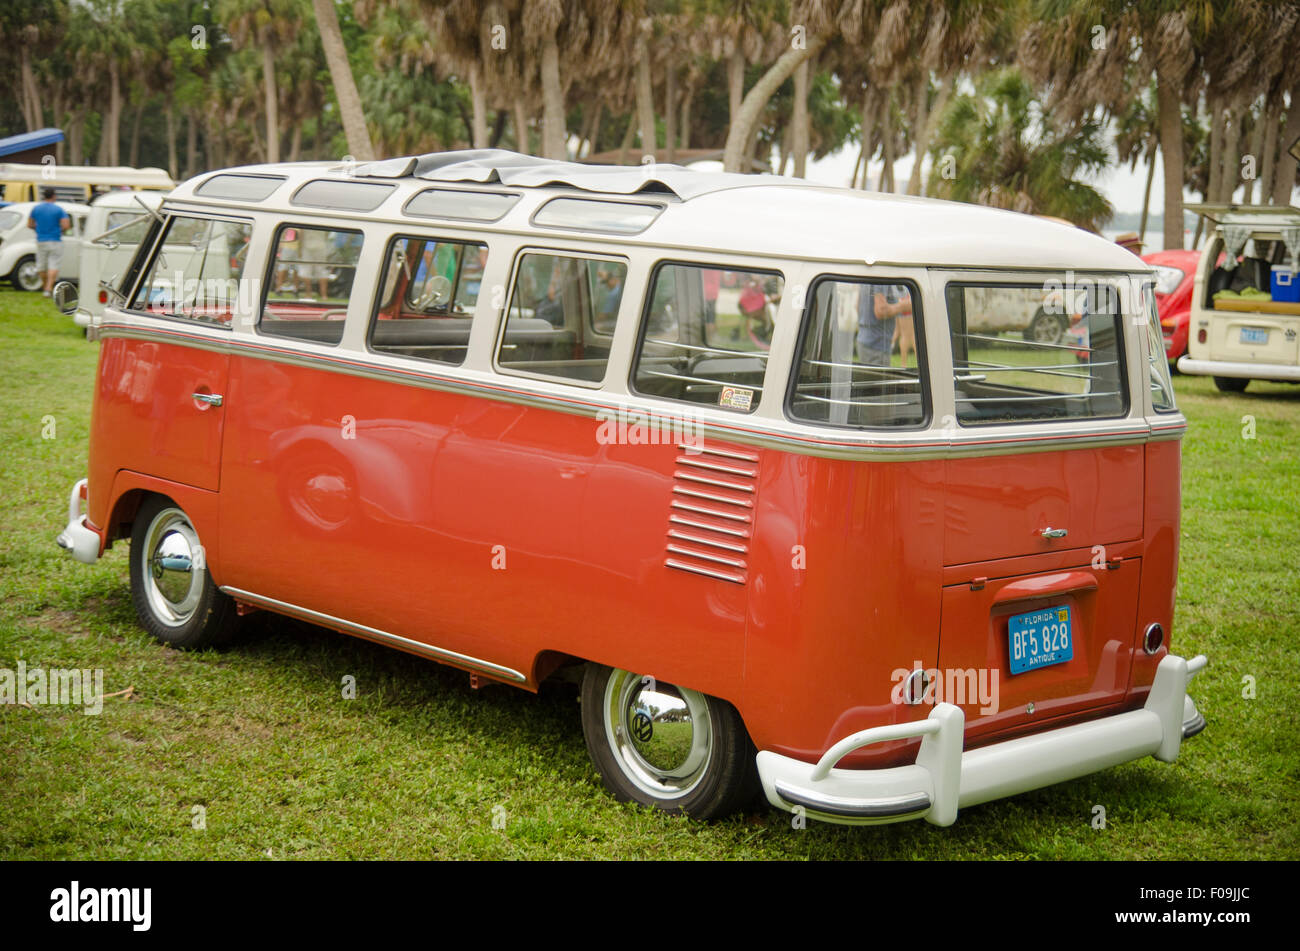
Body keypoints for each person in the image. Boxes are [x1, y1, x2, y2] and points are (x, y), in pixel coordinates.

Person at [26, 187, 70, 296]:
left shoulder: (36, 209)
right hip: (55, 239)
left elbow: (30, 224)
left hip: (41, 240)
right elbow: (66, 225)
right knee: (53, 264)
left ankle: (45, 286)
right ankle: (49, 288)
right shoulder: (59, 209)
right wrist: (60, 230)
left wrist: (38, 229)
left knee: (41, 265)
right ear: (54, 196)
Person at [857, 283, 912, 367]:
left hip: (864, 342)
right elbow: (881, 311)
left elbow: (857, 306)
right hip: (877, 346)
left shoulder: (867, 278)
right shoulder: (880, 281)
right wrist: (907, 305)